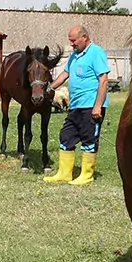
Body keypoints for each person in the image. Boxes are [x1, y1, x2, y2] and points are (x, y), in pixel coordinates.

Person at [42, 25, 110, 185]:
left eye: (73, 41)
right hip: (75, 106)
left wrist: (97, 106)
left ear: (84, 38)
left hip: (91, 106)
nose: (71, 44)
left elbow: (103, 80)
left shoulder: (96, 53)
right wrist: (50, 88)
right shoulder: (75, 55)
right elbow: (65, 74)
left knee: (89, 139)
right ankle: (64, 173)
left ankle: (86, 175)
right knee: (66, 136)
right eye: (70, 41)